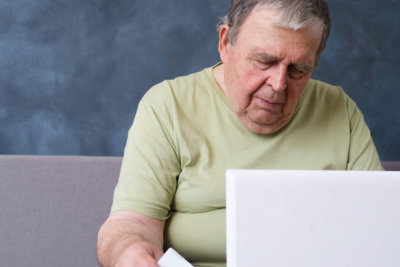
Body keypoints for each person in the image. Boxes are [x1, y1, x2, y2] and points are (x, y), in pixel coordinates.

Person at [97, 0, 383, 266]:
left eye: (298, 69)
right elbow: (131, 224)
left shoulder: (340, 110)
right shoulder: (168, 106)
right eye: (265, 61)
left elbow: (379, 225)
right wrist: (127, 250)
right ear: (225, 43)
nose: (279, 84)